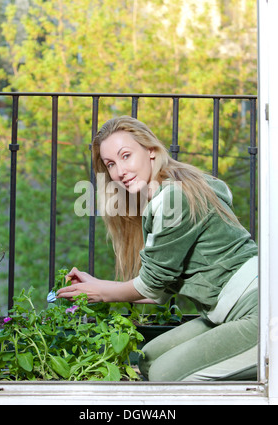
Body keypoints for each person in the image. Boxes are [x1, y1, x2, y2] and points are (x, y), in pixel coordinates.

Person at [57, 115, 258, 382]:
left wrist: (102, 293)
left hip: (260, 308)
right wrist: (96, 285)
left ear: (150, 151)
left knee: (167, 375)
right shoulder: (166, 197)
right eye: (111, 164)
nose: (119, 172)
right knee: (149, 360)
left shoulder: (175, 197)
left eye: (126, 155)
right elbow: (158, 290)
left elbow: (150, 287)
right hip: (224, 311)